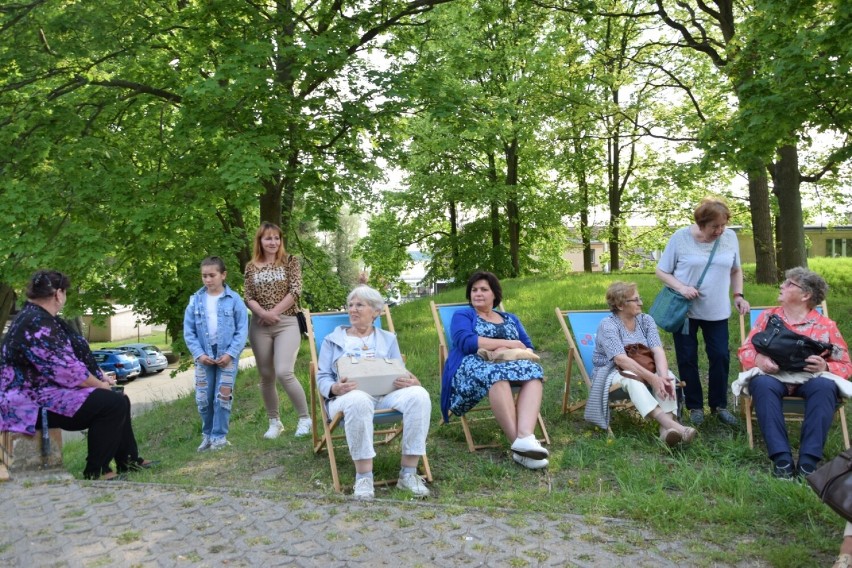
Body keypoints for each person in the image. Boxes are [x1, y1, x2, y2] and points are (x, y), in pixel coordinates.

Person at [0, 270, 154, 480]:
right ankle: (97, 471)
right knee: (111, 403)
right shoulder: (36, 323)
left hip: (44, 393)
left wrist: (100, 376)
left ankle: (128, 460)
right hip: (28, 403)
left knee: (118, 398)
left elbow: (77, 354)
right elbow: (67, 370)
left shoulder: (41, 317)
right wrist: (99, 385)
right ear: (58, 294)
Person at [316, 285, 431, 500]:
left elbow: (398, 369)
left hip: (385, 395)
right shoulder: (333, 340)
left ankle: (408, 474)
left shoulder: (387, 338)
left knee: (420, 395)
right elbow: (322, 377)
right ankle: (364, 477)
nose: (352, 309)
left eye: (360, 305)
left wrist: (413, 380)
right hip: (347, 397)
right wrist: (334, 388)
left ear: (376, 312)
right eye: (350, 305)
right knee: (359, 400)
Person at [737, 267, 851, 479]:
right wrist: (759, 359)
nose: (782, 285)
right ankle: (782, 459)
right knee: (761, 385)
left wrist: (825, 367)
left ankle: (808, 461)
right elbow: (745, 351)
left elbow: (845, 364)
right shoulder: (768, 317)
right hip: (774, 377)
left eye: (789, 284)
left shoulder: (825, 326)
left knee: (825, 387)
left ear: (805, 295)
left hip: (810, 379)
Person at [655, 197, 750, 427]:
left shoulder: (729, 238)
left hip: (717, 310)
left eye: (723, 225)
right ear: (701, 223)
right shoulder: (681, 238)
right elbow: (661, 271)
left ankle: (719, 405)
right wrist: (682, 287)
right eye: (714, 226)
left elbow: (736, 270)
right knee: (687, 358)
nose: (719, 230)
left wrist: (738, 295)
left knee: (720, 356)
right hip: (685, 311)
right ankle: (695, 407)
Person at [440, 271, 548, 470]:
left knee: (534, 372)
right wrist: (505, 344)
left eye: (483, 289)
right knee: (497, 375)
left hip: (508, 364)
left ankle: (524, 438)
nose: (478, 293)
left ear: (494, 294)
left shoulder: (510, 318)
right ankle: (520, 448)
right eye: (474, 290)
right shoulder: (463, 315)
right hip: (472, 364)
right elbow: (466, 342)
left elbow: (527, 345)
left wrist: (509, 350)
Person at [585, 282, 696, 446]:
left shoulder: (646, 320)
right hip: (612, 373)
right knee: (631, 378)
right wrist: (653, 379)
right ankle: (674, 426)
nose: (641, 303)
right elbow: (620, 360)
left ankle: (666, 434)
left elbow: (657, 350)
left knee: (669, 377)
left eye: (640, 299)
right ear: (621, 305)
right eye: (635, 300)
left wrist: (662, 378)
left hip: (645, 367)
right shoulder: (608, 325)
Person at [244, 222, 311, 439]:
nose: (273, 242)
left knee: (284, 371)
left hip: (287, 322)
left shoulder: (291, 261)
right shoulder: (251, 266)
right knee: (266, 375)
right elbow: (248, 296)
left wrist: (273, 312)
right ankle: (274, 423)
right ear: (260, 241)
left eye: (276, 238)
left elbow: (296, 290)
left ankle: (305, 418)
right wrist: (263, 314)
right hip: (260, 325)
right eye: (268, 238)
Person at [184, 257, 249, 452]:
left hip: (226, 357)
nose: (208, 280)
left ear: (223, 275)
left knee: (222, 396)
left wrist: (231, 354)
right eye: (204, 276)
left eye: (212, 275)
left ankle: (219, 436)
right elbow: (189, 331)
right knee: (203, 398)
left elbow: (242, 329)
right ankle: (207, 435)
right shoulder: (195, 300)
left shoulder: (234, 299)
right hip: (204, 356)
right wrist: (199, 354)